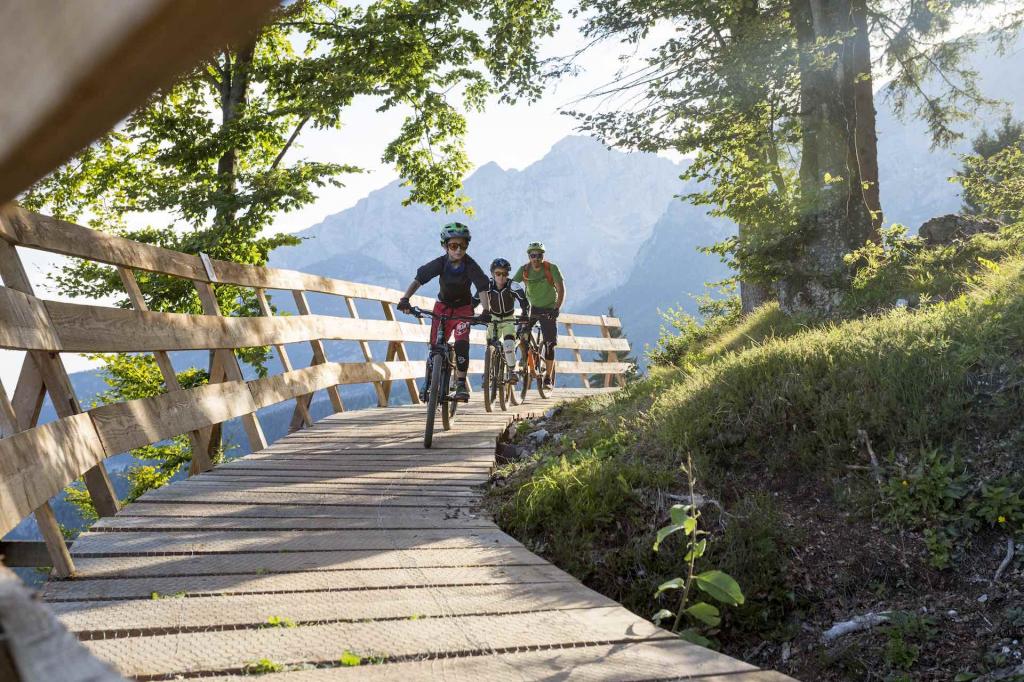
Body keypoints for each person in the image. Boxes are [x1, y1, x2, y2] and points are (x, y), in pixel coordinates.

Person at [397, 222, 490, 402]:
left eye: (463, 246)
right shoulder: (440, 263)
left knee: (462, 344)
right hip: (443, 307)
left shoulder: (470, 265)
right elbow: (419, 279)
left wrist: (486, 310)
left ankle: (461, 383)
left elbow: (482, 287)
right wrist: (405, 299)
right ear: (444, 246)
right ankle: (430, 379)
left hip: (464, 309)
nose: (458, 250)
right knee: (435, 346)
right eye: (453, 246)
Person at [512, 241, 564, 389]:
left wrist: (556, 308)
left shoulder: (551, 268)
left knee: (549, 344)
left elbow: (561, 290)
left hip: (549, 309)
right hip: (532, 308)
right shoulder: (524, 270)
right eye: (533, 255)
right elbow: (512, 286)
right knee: (521, 334)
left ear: (543, 256)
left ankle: (548, 377)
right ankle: (526, 362)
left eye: (539, 255)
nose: (536, 258)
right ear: (529, 256)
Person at [477, 258, 530, 383]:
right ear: (492, 274)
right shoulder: (487, 286)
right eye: (498, 273)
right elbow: (475, 300)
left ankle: (512, 371)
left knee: (508, 344)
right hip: (493, 318)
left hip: (508, 319)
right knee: (490, 344)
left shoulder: (513, 286)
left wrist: (525, 314)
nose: (501, 277)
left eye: (505, 274)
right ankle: (488, 371)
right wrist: (469, 313)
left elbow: (524, 302)